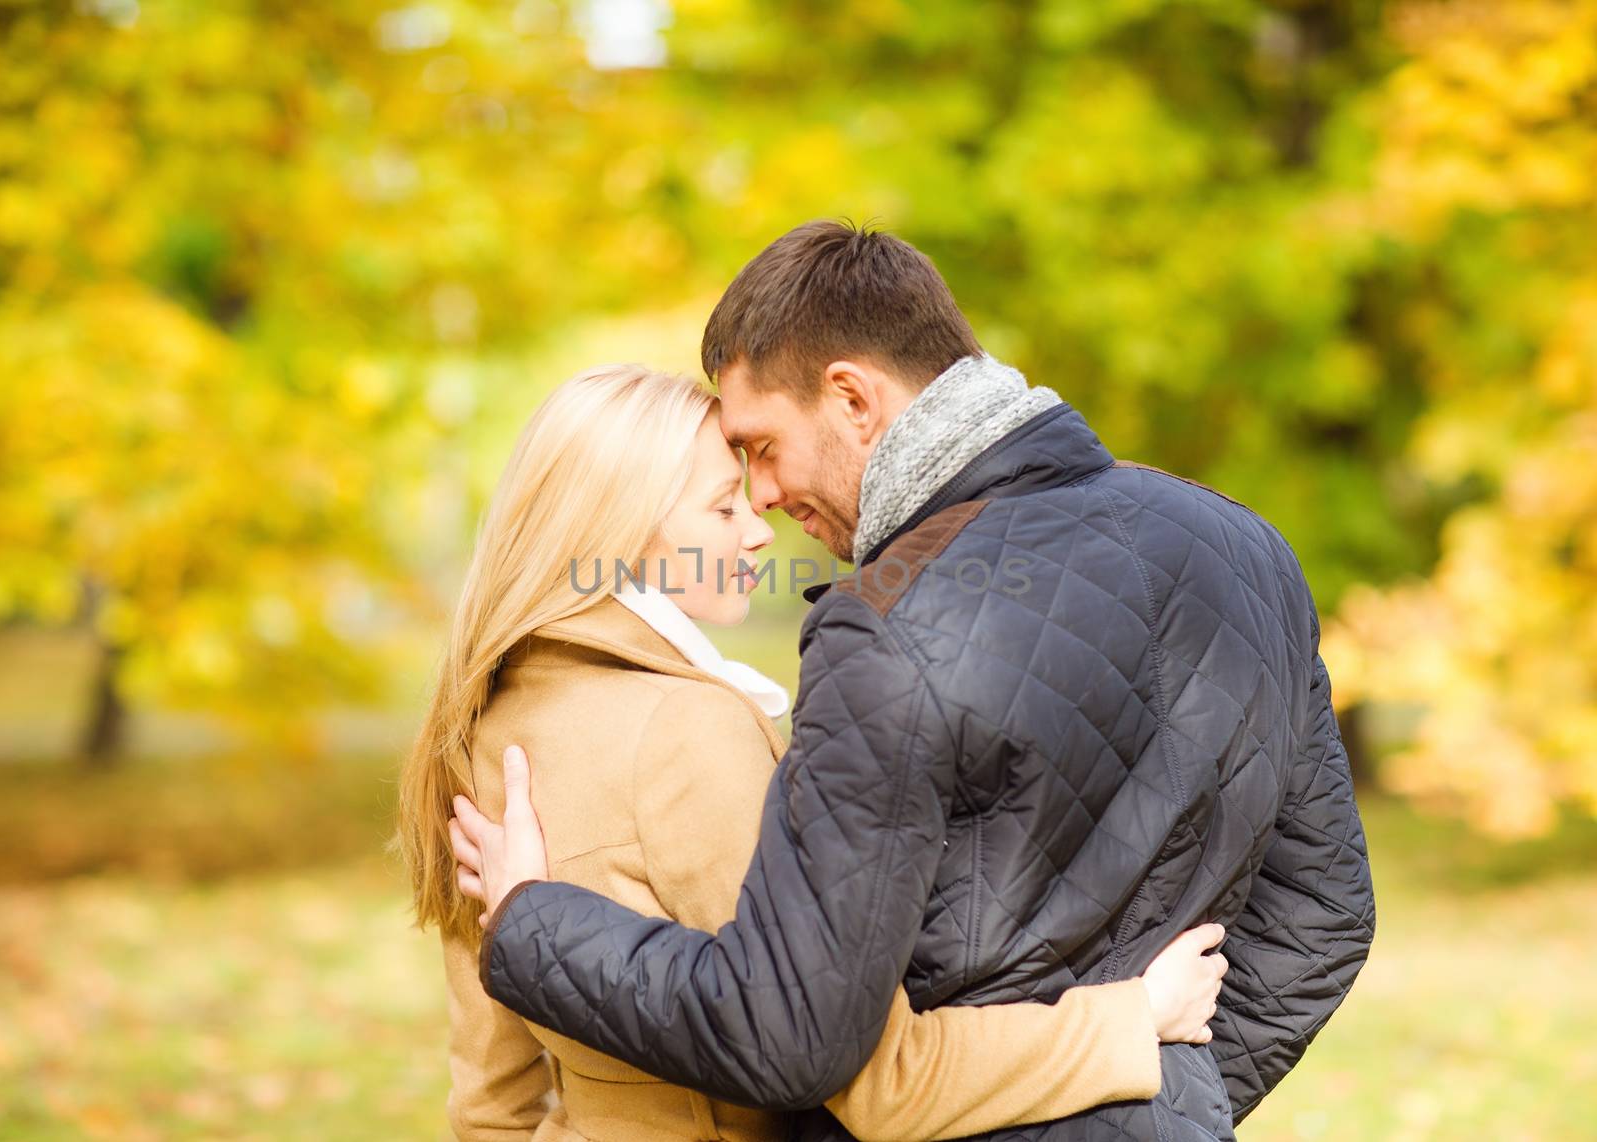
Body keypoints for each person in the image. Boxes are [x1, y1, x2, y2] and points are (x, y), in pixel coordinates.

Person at [454, 222, 1377, 1142]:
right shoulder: (1247, 549)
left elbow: (796, 1038)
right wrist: (1167, 1099)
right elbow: (1322, 918)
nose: (764, 499)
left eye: (763, 449)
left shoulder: (887, 623)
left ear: (852, 398)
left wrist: (531, 926)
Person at [397, 363, 1232, 1141]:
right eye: (722, 508)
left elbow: (492, 1103)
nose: (756, 535)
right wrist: (1131, 1017)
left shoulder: (485, 728)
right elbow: (873, 1079)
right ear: (619, 534)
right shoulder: (685, 734)